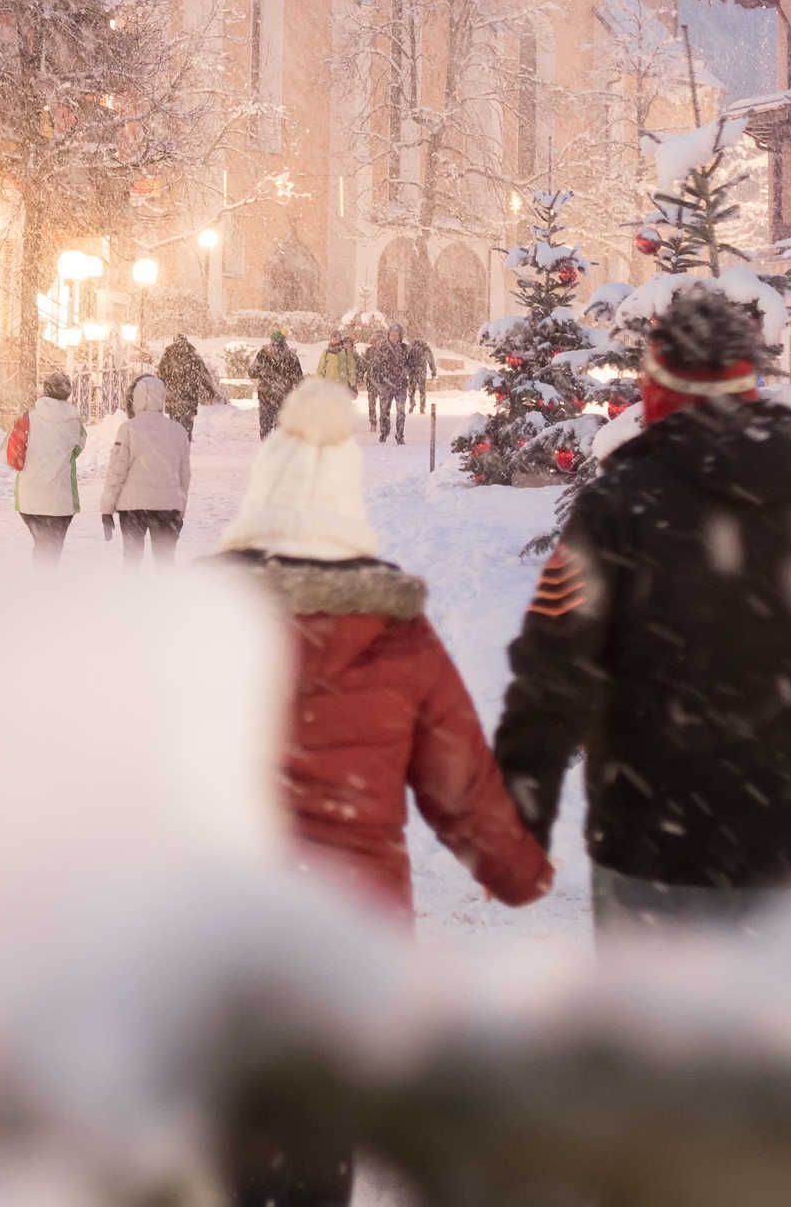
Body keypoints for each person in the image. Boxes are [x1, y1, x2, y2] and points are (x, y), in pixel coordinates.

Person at [494, 285, 791, 929]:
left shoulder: (617, 510)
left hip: (648, 850)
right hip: (788, 853)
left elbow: (552, 670)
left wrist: (520, 810)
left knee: (654, 1001)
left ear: (657, 390)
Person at [220, 375, 553, 1205]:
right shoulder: (397, 634)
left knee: (233, 1132)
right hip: (351, 935)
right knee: (319, 1136)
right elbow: (460, 780)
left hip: (223, 926)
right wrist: (514, 868)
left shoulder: (198, 619)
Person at [99, 373, 191, 564]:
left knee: (132, 561)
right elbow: (184, 476)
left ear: (137, 398)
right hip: (167, 507)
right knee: (165, 563)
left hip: (133, 508)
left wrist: (107, 509)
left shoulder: (128, 429)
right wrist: (180, 510)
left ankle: (133, 585)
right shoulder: (178, 431)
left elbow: (116, 472)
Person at [12, 373, 86, 562]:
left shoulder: (27, 418)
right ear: (68, 393)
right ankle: (46, 575)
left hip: (30, 498)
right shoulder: (75, 421)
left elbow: (13, 455)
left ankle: (42, 575)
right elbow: (77, 449)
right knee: (52, 548)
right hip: (61, 500)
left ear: (45, 390)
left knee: (43, 545)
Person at [154, 332, 218, 434]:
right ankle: (186, 442)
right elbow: (204, 375)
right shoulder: (193, 356)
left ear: (174, 341)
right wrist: (210, 390)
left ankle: (176, 442)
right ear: (186, 341)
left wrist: (158, 392)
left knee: (174, 429)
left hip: (173, 399)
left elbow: (160, 375)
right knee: (187, 429)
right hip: (189, 398)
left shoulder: (167, 355)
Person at [250, 329, 304, 437]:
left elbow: (252, 372)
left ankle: (266, 443)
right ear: (284, 341)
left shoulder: (263, 354)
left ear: (271, 340)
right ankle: (279, 443)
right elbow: (299, 379)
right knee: (281, 426)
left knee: (265, 426)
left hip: (266, 396)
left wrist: (264, 374)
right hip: (284, 396)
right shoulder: (291, 356)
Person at [368, 324, 415, 444]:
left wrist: (406, 371)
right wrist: (380, 384)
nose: (394, 337)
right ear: (388, 335)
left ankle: (400, 435)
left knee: (401, 412)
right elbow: (375, 368)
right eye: (392, 334)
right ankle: (384, 432)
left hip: (401, 385)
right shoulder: (382, 349)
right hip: (386, 385)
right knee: (384, 411)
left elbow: (411, 365)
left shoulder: (405, 349)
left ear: (400, 336)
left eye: (396, 335)